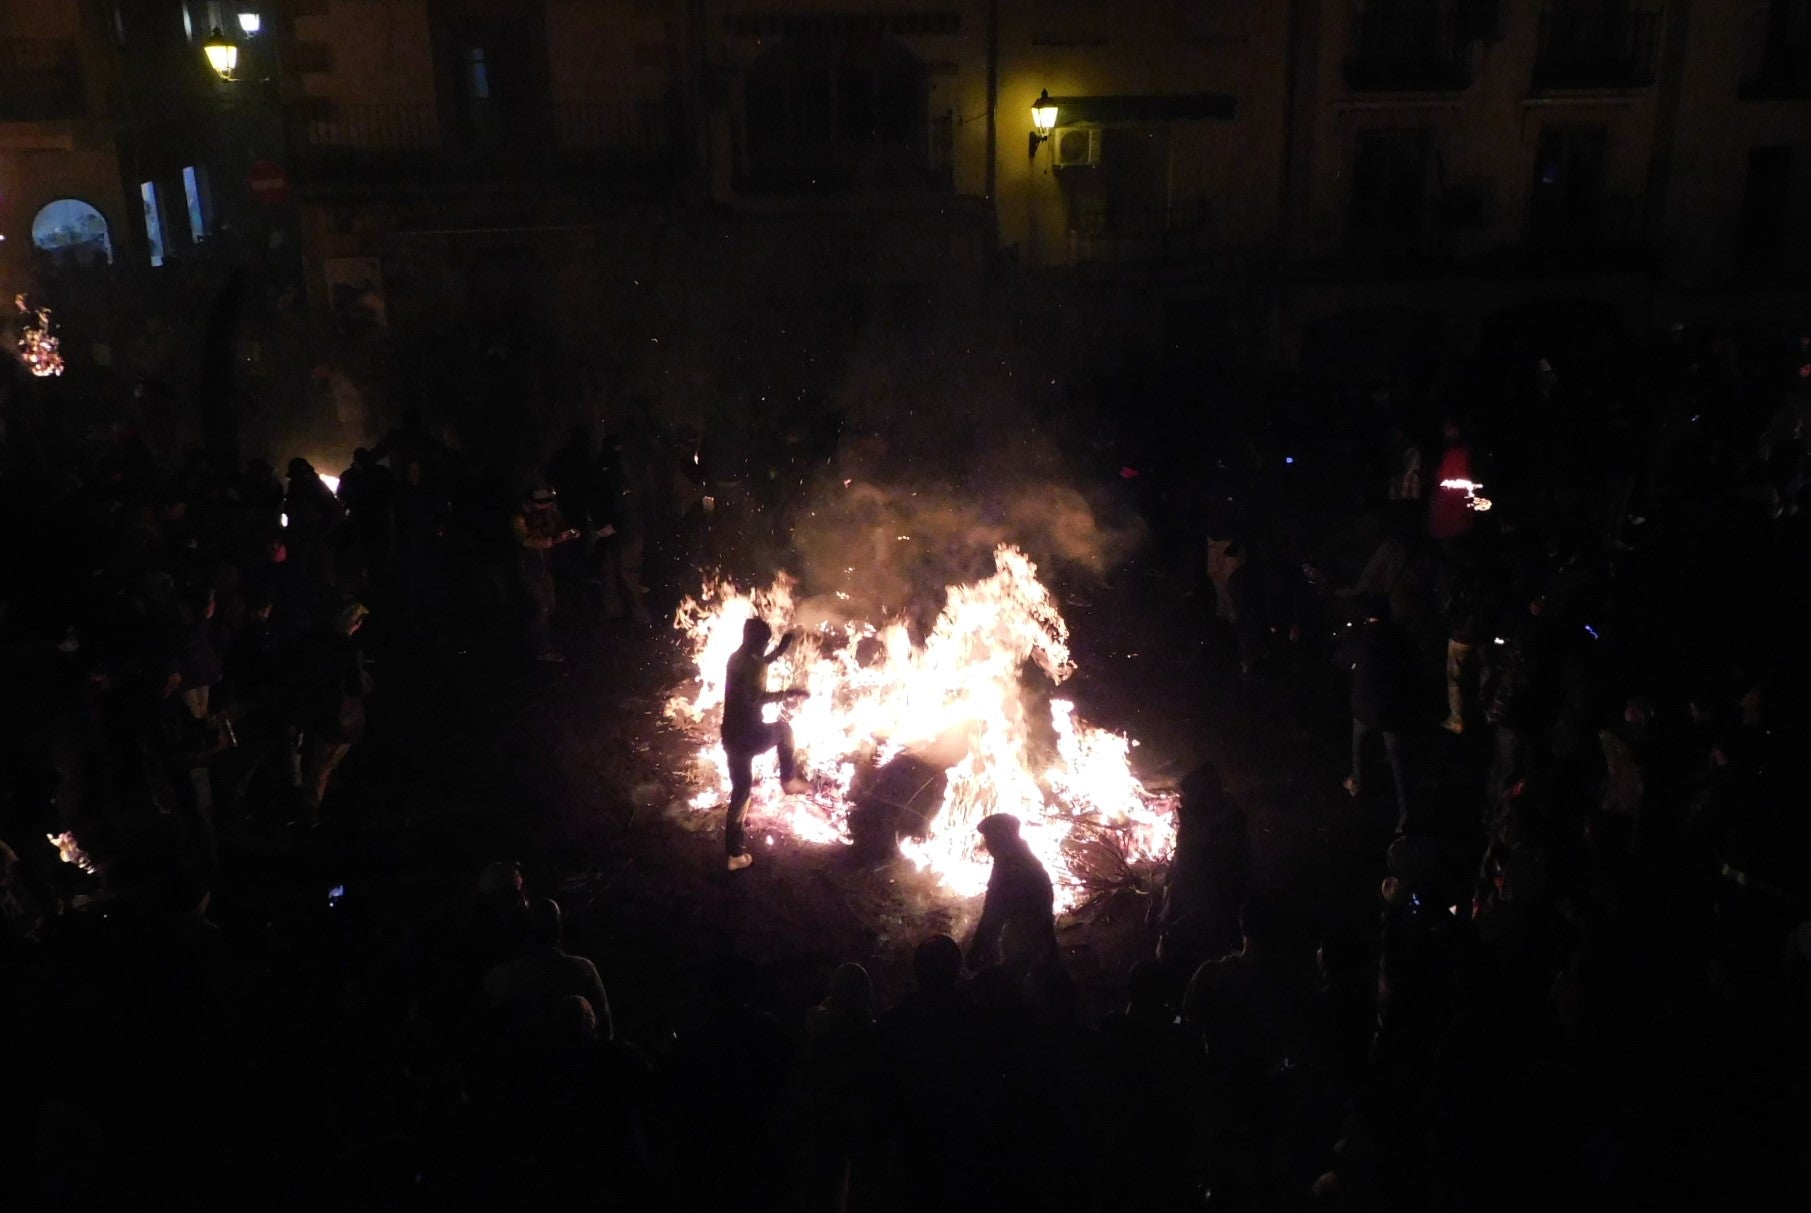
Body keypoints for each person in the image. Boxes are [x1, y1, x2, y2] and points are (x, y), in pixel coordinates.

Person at [721, 618, 810, 871]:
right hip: (751, 735)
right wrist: (789, 693)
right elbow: (757, 698)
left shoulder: (736, 658)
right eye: (765, 643)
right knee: (784, 730)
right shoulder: (753, 665)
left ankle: (734, 855)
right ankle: (788, 780)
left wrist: (779, 651)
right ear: (755, 642)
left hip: (731, 737)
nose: (765, 647)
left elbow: (758, 663)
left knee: (741, 791)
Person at [1337, 597, 1418, 833]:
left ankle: (1357, 782)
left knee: (1358, 746)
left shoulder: (1359, 637)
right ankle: (1406, 815)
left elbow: (1341, 661)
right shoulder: (1400, 637)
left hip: (1364, 707)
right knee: (1399, 763)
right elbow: (1413, 664)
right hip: (1393, 708)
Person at [966, 813, 1058, 973]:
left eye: (992, 838)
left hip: (1026, 947)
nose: (988, 845)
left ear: (1004, 837)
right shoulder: (1017, 859)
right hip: (1035, 945)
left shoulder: (1014, 867)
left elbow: (994, 915)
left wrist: (976, 950)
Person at [513, 486, 582, 662]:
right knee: (542, 606)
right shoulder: (519, 518)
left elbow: (558, 527)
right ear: (530, 502)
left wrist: (569, 533)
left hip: (544, 568)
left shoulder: (547, 512)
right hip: (527, 569)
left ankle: (533, 635)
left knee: (550, 604)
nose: (545, 506)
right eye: (541, 503)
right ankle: (544, 650)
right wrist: (553, 541)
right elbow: (526, 540)